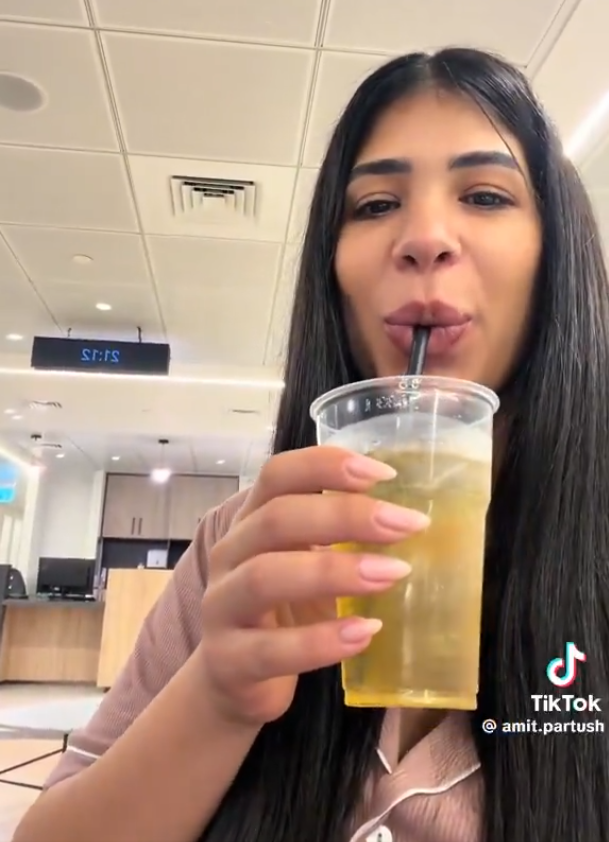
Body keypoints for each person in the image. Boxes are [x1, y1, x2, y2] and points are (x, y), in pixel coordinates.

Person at [14, 47, 609, 842]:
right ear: (331, 271)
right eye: (374, 204)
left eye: (484, 194)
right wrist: (218, 696)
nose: (424, 236)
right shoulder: (243, 544)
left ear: (555, 255)